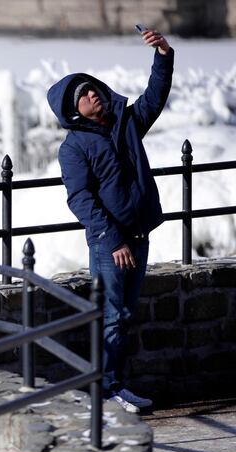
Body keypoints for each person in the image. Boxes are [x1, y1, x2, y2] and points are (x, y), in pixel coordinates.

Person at [46, 28, 174, 413]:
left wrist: (164, 54)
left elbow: (155, 97)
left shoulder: (126, 124)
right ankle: (108, 390)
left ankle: (114, 386)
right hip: (110, 243)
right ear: (73, 110)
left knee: (124, 314)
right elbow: (80, 199)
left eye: (93, 88)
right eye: (83, 95)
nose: (93, 94)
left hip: (138, 234)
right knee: (113, 316)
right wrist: (113, 239)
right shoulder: (74, 148)